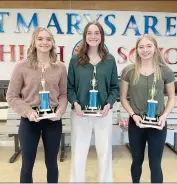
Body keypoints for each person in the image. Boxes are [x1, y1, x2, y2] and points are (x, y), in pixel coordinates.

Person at [6, 27, 68, 183]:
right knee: (27, 164)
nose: (44, 42)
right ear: (33, 42)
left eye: (48, 39)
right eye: (40, 39)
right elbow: (12, 96)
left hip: (53, 120)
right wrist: (27, 111)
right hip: (30, 120)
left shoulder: (60, 67)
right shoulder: (21, 66)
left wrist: (60, 110)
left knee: (52, 164)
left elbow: (63, 94)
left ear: (53, 43)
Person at [67, 21, 119, 182]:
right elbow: (70, 88)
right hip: (80, 114)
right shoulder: (75, 60)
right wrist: (75, 103)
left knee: (104, 153)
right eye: (89, 33)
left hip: (103, 114)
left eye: (97, 33)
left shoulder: (109, 60)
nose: (93, 36)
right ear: (85, 36)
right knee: (78, 152)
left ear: (102, 36)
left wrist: (109, 104)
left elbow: (114, 88)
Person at [120, 34, 175, 183]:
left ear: (155, 48)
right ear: (136, 50)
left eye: (149, 46)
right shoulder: (128, 71)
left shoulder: (165, 71)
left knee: (155, 164)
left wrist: (164, 116)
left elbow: (172, 98)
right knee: (136, 161)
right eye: (141, 47)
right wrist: (132, 115)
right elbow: (124, 98)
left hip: (158, 124)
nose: (145, 50)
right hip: (136, 123)